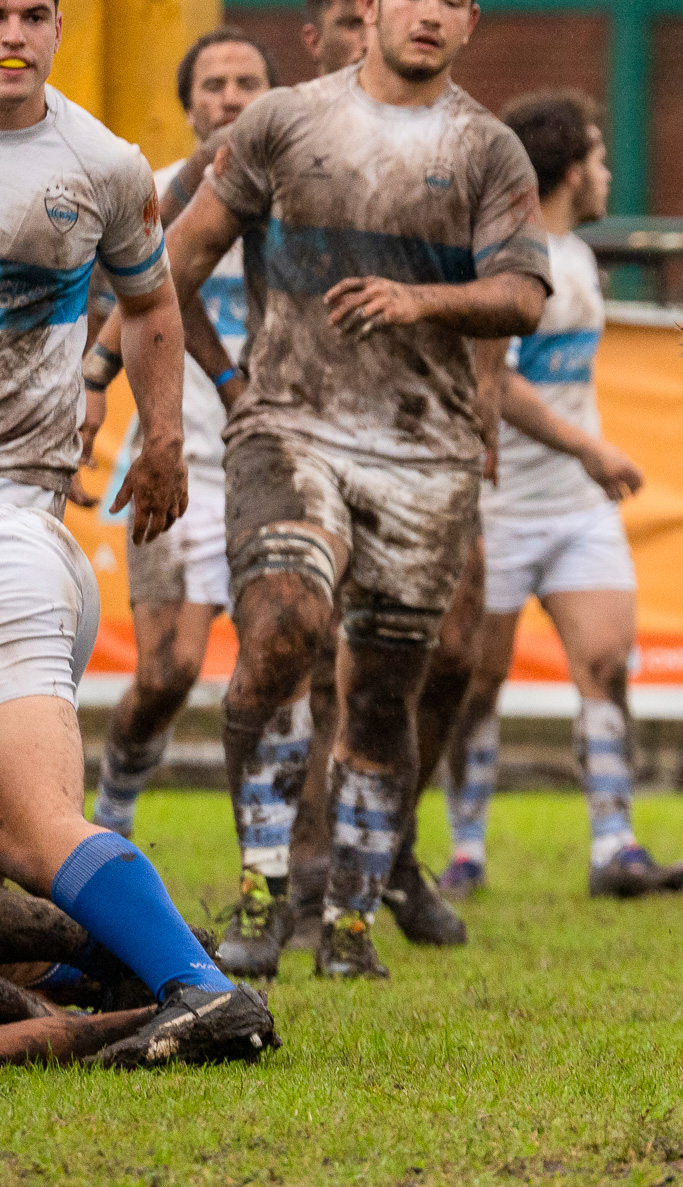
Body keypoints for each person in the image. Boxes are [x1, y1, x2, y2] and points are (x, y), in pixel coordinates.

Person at [164, 0, 551, 979]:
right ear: (370, 13)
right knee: (284, 627)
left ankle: (351, 919)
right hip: (289, 429)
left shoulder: (488, 147)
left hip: (427, 453)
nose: (428, 14)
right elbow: (172, 263)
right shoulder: (283, 121)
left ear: (470, 23)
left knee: (382, 701)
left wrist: (421, 298)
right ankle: (260, 892)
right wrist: (217, 384)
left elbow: (522, 295)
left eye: (452, 1)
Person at [0, 0, 277, 1064]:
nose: (14, 32)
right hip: (38, 554)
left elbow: (154, 302)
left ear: (62, 27)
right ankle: (112, 965)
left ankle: (191, 983)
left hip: (18, 537)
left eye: (34, 13)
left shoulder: (101, 162)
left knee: (32, 832)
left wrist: (163, 439)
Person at [438, 90, 683, 901]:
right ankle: (465, 850)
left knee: (606, 664)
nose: (607, 171)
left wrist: (585, 456)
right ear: (568, 169)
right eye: (597, 154)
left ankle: (615, 845)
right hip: (498, 504)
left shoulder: (578, 256)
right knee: (476, 680)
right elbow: (499, 384)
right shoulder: (506, 258)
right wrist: (589, 445)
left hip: (576, 511)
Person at [85, 27, 277, 840]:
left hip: (279, 466)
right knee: (168, 672)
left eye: (247, 82)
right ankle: (114, 811)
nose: (231, 98)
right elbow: (121, 310)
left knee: (283, 664)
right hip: (182, 456)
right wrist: (226, 379)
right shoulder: (153, 191)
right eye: (214, 84)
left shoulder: (299, 193)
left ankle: (271, 867)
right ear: (189, 102)